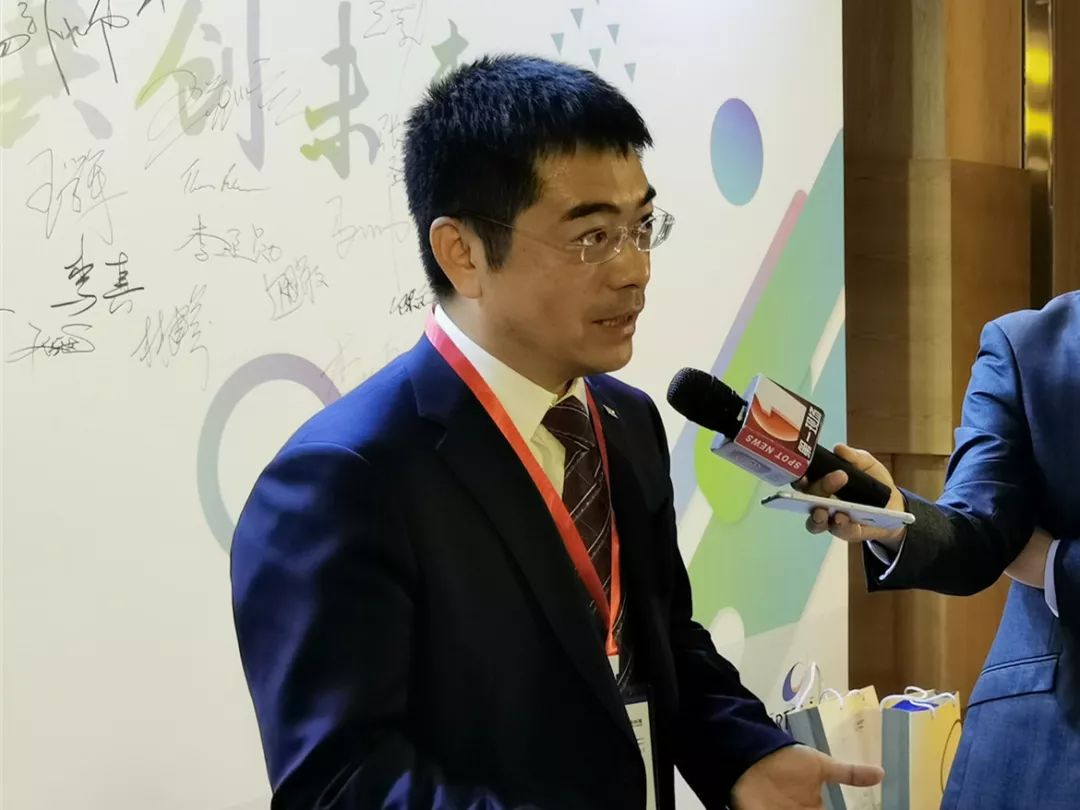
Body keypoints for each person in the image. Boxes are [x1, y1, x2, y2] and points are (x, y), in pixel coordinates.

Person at [231, 55, 881, 810]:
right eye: (592, 237)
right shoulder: (345, 476)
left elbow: (660, 643)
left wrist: (746, 755)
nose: (634, 270)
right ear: (462, 253)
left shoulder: (626, 420)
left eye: (642, 227)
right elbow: (341, 783)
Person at [802, 290, 1080, 809]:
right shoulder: (1027, 345)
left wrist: (1055, 564)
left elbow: (1026, 553)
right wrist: (890, 514)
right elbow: (978, 533)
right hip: (1048, 744)